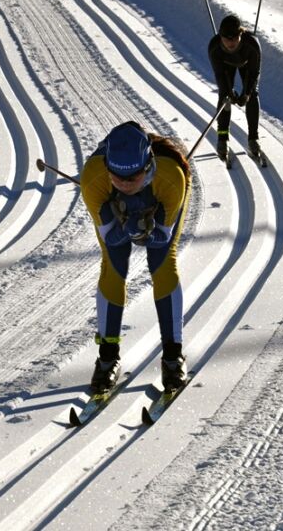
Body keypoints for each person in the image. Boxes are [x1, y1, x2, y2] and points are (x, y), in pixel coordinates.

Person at [79, 120, 190, 394]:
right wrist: (126, 227)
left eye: (133, 178)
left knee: (163, 266)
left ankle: (173, 357)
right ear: (107, 168)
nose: (125, 184)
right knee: (113, 268)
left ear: (148, 166)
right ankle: (107, 358)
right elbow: (111, 237)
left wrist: (143, 231)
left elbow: (161, 237)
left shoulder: (171, 178)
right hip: (119, 211)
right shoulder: (94, 179)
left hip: (160, 202)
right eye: (117, 177)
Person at [208, 14, 262, 160]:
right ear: (220, 37)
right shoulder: (214, 48)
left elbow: (253, 73)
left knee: (252, 95)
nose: (230, 43)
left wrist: (247, 93)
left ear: (241, 34)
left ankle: (253, 138)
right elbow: (220, 75)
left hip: (246, 64)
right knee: (224, 97)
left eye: (234, 39)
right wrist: (228, 93)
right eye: (226, 39)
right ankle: (222, 138)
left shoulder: (252, 45)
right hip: (225, 66)